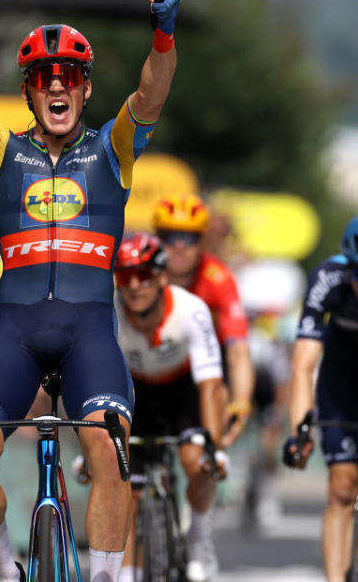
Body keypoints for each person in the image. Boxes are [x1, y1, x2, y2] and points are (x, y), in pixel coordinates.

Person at [0, 0, 183, 582]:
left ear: (86, 87)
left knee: (108, 448)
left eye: (70, 75)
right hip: (15, 333)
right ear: (29, 91)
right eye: (44, 76)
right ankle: (7, 570)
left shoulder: (114, 148)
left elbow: (152, 94)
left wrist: (163, 33)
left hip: (89, 334)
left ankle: (106, 576)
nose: (58, 84)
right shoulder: (0, 151)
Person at [282, 214, 358, 582]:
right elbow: (304, 364)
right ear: (346, 268)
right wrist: (298, 433)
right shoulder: (326, 279)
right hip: (342, 375)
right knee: (340, 488)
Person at [111, 233, 228, 582]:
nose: (134, 286)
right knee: (123, 478)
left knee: (198, 463)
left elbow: (211, 385)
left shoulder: (191, 309)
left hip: (183, 391)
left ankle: (198, 538)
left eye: (144, 275)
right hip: (136, 391)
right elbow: (98, 382)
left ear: (162, 277)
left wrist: (214, 448)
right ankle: (128, 573)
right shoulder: (108, 312)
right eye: (125, 276)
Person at [152, 194, 254, 446]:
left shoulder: (218, 278)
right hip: (151, 362)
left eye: (189, 238)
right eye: (169, 236)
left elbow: (238, 351)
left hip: (201, 370)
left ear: (202, 241)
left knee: (206, 446)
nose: (179, 246)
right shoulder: (142, 275)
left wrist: (240, 402)